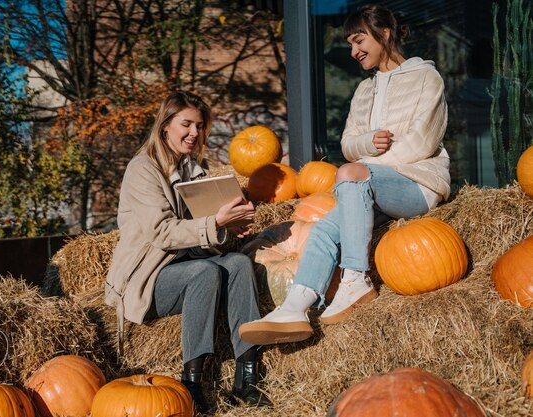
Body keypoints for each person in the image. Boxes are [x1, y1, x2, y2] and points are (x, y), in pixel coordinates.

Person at [239, 4, 450, 345]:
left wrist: (365, 167)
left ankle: (356, 278)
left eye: (359, 40)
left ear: (383, 34)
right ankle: (295, 306)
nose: (353, 52)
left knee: (351, 175)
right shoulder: (364, 91)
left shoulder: (426, 78)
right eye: (350, 43)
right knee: (323, 229)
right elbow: (349, 144)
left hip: (417, 184)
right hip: (370, 188)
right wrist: (367, 144)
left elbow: (423, 143)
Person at [104, 90, 272, 414]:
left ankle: (247, 376)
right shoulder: (143, 170)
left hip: (182, 263)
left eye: (199, 126)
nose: (194, 133)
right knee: (205, 272)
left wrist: (227, 227)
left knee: (237, 263)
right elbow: (162, 232)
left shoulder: (191, 170)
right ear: (165, 125)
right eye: (186, 124)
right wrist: (214, 221)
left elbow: (198, 236)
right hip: (146, 278)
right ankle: (193, 383)